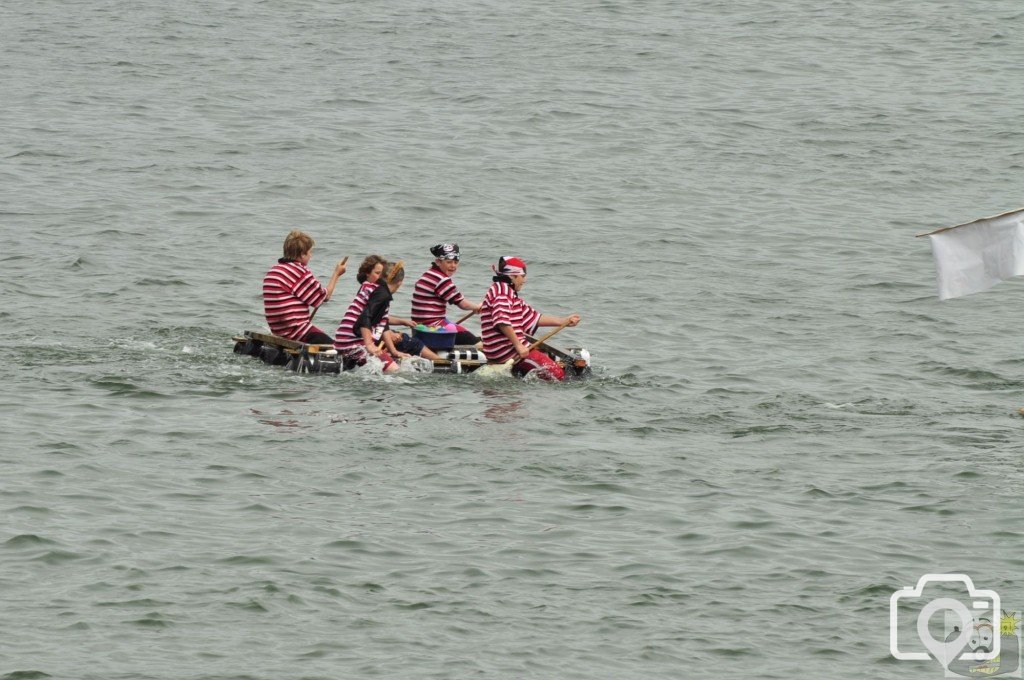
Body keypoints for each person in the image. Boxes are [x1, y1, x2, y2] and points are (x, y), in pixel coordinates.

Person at [479, 256, 581, 381]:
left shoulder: (506, 292)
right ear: (512, 276)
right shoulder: (502, 293)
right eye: (522, 276)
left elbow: (534, 318)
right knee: (557, 375)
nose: (524, 280)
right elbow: (502, 321)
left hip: (505, 352)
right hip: (510, 353)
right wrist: (519, 346)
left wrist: (563, 321)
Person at [334, 260, 439, 373]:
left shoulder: (368, 286)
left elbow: (382, 325)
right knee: (396, 372)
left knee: (393, 362)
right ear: (400, 282)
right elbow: (365, 317)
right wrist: (369, 345)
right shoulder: (382, 295)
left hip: (340, 342)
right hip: (353, 345)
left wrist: (394, 352)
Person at [262, 230, 347, 344]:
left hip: (279, 331)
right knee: (337, 350)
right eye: (309, 252)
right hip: (296, 332)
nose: (311, 255)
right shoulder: (299, 271)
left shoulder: (273, 270)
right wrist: (336, 274)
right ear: (302, 254)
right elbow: (324, 297)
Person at [411, 243, 482, 345]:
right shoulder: (442, 279)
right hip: (433, 328)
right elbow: (462, 304)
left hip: (420, 328)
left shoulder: (428, 274)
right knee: (477, 344)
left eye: (456, 262)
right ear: (438, 262)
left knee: (463, 334)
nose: (453, 266)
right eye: (449, 262)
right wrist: (477, 307)